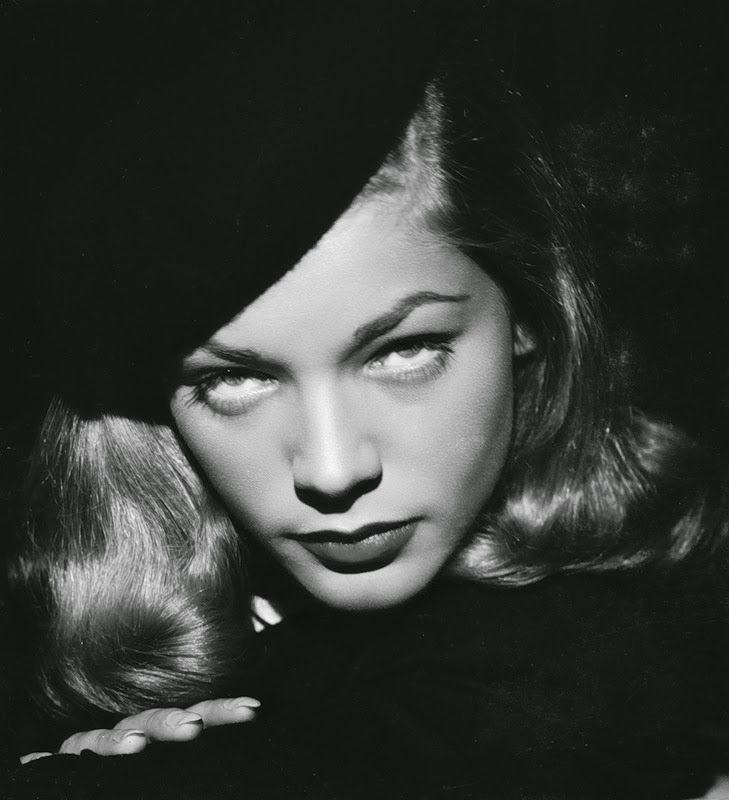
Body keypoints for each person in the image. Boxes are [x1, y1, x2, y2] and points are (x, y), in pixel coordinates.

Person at [2, 0, 728, 797]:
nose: (332, 468)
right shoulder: (57, 615)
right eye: (232, 379)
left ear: (527, 314)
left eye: (403, 352)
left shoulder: (599, 639)